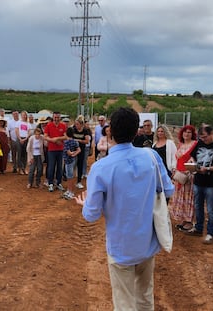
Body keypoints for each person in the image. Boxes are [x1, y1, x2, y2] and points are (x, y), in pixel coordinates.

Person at [75, 107, 174, 310]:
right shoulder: (152, 157)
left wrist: (85, 205)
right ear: (136, 131)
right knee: (145, 296)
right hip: (148, 241)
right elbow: (168, 190)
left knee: (124, 303)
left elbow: (91, 215)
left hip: (121, 247)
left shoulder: (101, 167)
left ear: (110, 131)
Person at [185, 125, 213, 244]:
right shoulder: (199, 143)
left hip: (211, 183)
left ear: (212, 133)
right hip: (198, 180)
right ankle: (198, 228)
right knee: (198, 206)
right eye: (201, 137)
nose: (203, 140)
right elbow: (193, 156)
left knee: (210, 209)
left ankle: (211, 233)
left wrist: (208, 168)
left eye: (205, 137)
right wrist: (192, 164)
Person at [170, 125, 197, 231]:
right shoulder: (180, 144)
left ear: (193, 134)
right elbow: (177, 159)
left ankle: (189, 221)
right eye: (185, 132)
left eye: (189, 132)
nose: (187, 134)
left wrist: (190, 170)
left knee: (188, 198)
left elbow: (195, 159)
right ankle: (183, 220)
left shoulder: (195, 145)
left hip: (189, 176)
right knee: (180, 197)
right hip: (179, 175)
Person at [44, 111, 67, 192]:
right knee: (51, 166)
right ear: (53, 117)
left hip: (60, 149)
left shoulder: (63, 125)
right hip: (51, 149)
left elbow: (66, 136)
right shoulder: (49, 125)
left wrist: (57, 139)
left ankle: (59, 183)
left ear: (60, 117)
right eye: (55, 117)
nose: (56, 119)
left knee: (60, 167)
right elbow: (45, 136)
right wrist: (53, 140)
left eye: (58, 117)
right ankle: (50, 183)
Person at [72, 115, 90, 189]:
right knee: (72, 166)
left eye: (77, 124)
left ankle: (78, 181)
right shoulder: (73, 130)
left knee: (80, 166)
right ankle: (71, 181)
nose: (76, 126)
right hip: (73, 150)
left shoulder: (85, 131)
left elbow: (87, 141)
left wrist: (79, 140)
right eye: (75, 124)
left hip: (81, 151)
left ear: (81, 124)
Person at [62, 127, 80, 200]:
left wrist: (72, 154)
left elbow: (68, 152)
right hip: (72, 160)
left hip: (68, 161)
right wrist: (75, 154)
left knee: (70, 177)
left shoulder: (66, 142)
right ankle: (69, 191)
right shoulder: (75, 141)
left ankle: (70, 192)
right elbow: (79, 149)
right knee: (70, 176)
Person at [16, 111, 31, 175]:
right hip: (20, 139)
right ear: (21, 115)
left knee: (25, 154)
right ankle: (20, 168)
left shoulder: (28, 123)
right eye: (23, 115)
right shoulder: (18, 122)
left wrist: (26, 138)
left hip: (26, 139)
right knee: (19, 154)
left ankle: (24, 168)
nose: (24, 116)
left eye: (25, 115)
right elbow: (16, 130)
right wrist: (20, 139)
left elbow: (29, 132)